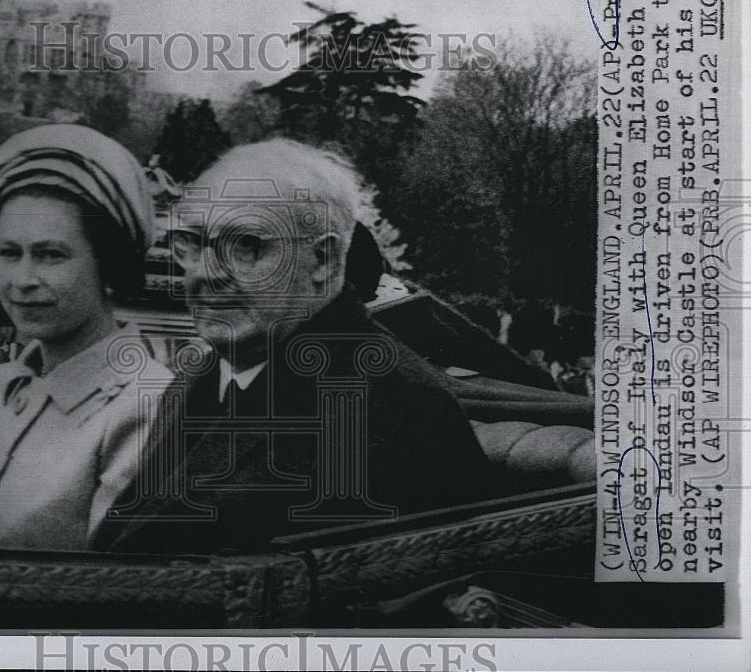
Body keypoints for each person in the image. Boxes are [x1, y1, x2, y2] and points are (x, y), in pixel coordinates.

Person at [92, 139, 489, 554]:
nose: (204, 273)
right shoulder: (201, 375)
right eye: (191, 244)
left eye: (246, 245)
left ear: (324, 261)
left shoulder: (402, 411)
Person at [0, 124, 176, 550]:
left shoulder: (146, 406)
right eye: (9, 253)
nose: (23, 280)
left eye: (51, 255)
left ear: (110, 265)